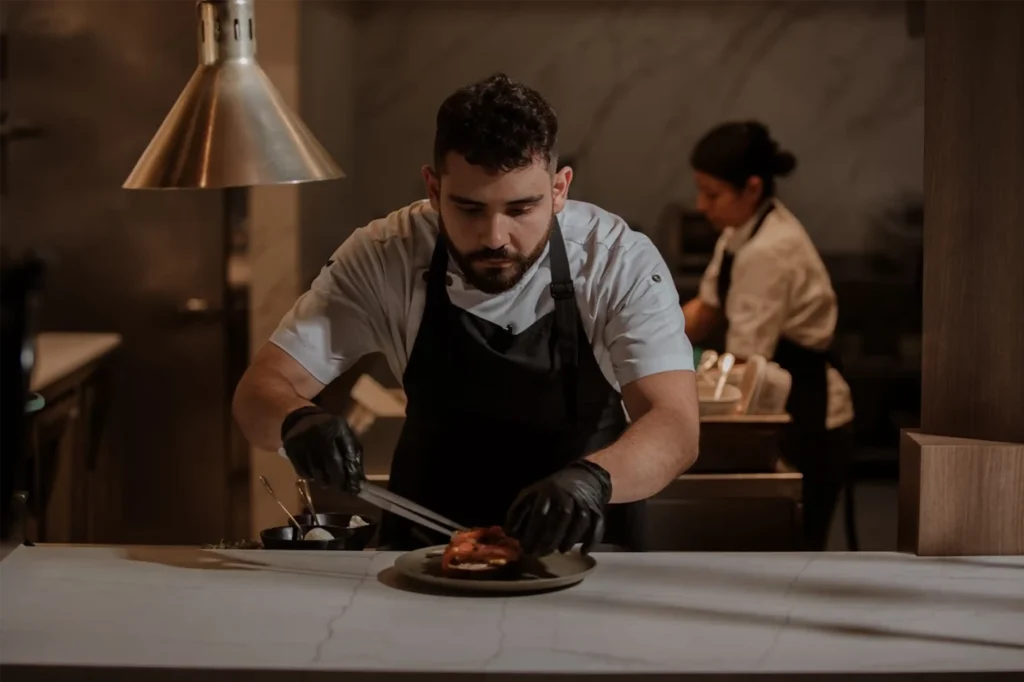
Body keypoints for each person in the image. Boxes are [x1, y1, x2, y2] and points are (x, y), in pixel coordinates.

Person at [233, 74, 700, 556]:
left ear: (560, 189)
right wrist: (295, 420)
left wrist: (593, 481)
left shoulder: (616, 260)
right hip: (424, 554)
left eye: (521, 208)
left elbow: (676, 425)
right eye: (470, 209)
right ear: (433, 189)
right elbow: (257, 394)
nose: (495, 236)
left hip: (583, 548)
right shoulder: (384, 256)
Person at [680, 121, 855, 551]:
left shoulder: (771, 248)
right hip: (784, 399)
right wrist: (634, 336)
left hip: (810, 414)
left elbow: (746, 360)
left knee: (796, 553)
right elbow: (703, 312)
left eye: (712, 193)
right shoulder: (741, 231)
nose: (702, 205)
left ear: (752, 188)